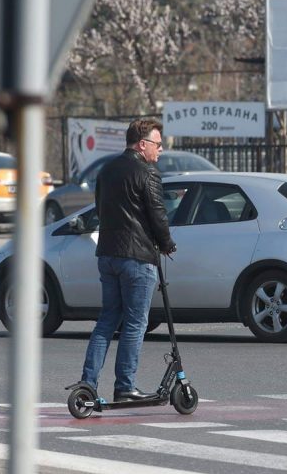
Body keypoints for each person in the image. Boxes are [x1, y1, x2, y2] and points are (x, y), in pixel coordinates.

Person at [76, 118, 177, 401]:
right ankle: (124, 386)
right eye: (157, 144)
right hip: (137, 256)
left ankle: (88, 383)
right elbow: (157, 213)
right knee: (135, 322)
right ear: (142, 144)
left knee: (107, 320)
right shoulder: (147, 172)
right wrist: (167, 243)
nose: (160, 150)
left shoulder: (107, 170)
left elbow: (99, 208)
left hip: (108, 253)